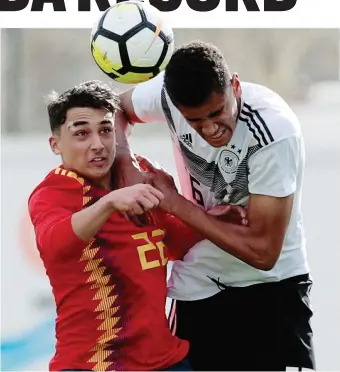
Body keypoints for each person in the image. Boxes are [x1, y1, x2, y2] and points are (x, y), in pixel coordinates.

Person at [114, 40, 316, 371]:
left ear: (235, 86)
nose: (210, 129)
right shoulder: (167, 96)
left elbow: (263, 252)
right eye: (195, 121)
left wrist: (176, 203)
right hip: (198, 284)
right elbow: (115, 107)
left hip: (271, 290)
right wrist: (127, 167)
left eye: (218, 112)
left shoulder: (273, 132)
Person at [28, 80, 207, 372]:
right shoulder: (54, 192)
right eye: (82, 133)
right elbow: (53, 244)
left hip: (165, 362)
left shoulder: (139, 177)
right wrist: (109, 203)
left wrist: (218, 215)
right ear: (55, 144)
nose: (98, 144)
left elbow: (176, 242)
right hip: (91, 364)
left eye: (106, 130)